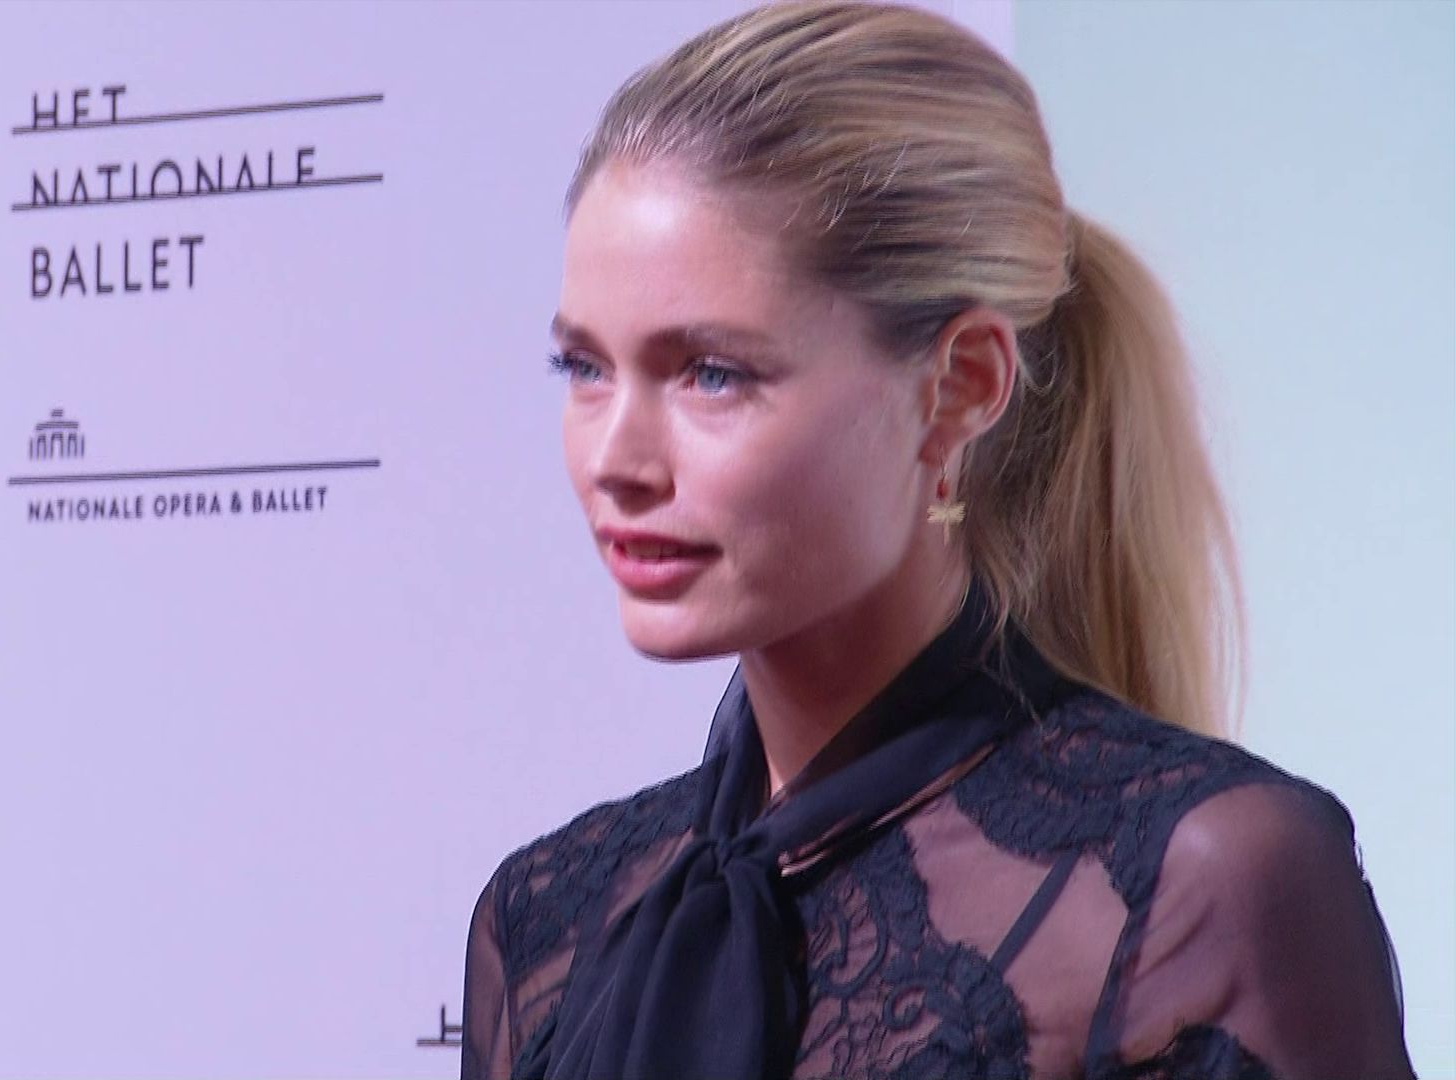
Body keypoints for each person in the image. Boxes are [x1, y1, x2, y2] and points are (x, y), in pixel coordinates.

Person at [456, 2, 1416, 1078]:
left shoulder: (1205, 884)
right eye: (583, 368)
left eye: (712, 374)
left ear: (959, 386)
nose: (615, 459)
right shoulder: (542, 919)